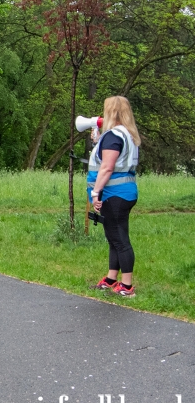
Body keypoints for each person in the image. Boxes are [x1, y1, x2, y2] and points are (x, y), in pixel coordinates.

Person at [88, 96, 141, 298]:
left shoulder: (113, 136)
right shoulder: (125, 134)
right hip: (124, 192)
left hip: (114, 193)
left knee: (120, 239)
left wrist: (95, 193)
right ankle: (111, 278)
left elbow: (108, 167)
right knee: (113, 237)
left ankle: (126, 286)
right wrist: (99, 140)